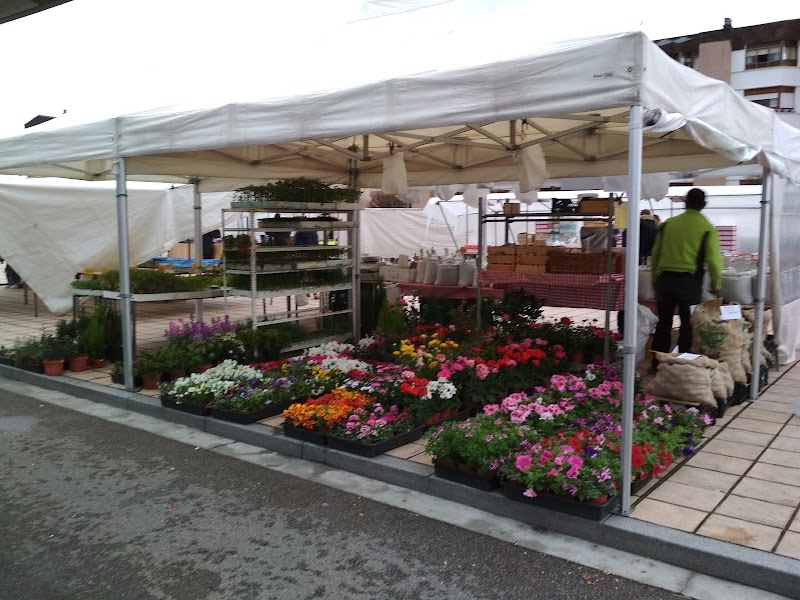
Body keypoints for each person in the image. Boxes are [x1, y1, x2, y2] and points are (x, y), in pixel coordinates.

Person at [650, 188, 722, 359]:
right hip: (689, 284)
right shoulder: (707, 228)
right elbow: (714, 260)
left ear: (685, 202)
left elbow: (656, 253)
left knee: (663, 324)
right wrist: (716, 285)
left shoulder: (668, 224)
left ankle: (656, 362)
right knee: (687, 325)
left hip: (664, 281)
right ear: (703, 205)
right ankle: (682, 362)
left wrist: (654, 279)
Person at [618, 210, 659, 335]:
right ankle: (648, 326)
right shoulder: (655, 231)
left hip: (628, 267)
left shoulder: (627, 230)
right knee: (649, 301)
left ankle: (624, 329)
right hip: (647, 272)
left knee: (626, 299)